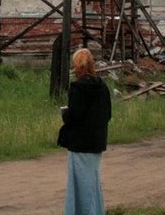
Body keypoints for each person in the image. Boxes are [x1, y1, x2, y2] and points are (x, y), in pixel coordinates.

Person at [60, 48, 112, 215]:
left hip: (80, 143)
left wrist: (66, 115)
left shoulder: (77, 87)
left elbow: (76, 115)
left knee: (79, 184)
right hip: (96, 142)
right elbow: (107, 114)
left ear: (78, 66)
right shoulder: (103, 87)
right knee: (92, 182)